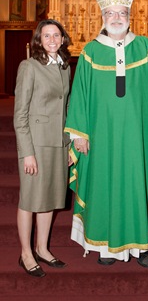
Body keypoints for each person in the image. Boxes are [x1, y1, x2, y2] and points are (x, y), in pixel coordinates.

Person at [65, 0, 148, 267]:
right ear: (102, 15)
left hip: (137, 137)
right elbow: (79, 94)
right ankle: (106, 249)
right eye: (111, 12)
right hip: (101, 137)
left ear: (130, 13)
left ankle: (141, 247)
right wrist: (78, 134)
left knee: (137, 183)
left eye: (121, 12)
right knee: (105, 184)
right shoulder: (90, 52)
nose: (116, 17)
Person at [13, 19, 71, 277]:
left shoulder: (65, 67)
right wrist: (27, 152)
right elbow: (20, 114)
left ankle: (43, 248)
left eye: (56, 35)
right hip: (35, 144)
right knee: (29, 199)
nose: (52, 40)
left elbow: (66, 108)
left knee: (49, 198)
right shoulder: (29, 66)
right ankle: (26, 253)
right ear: (39, 39)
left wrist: (68, 145)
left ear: (62, 39)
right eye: (46, 35)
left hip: (57, 143)